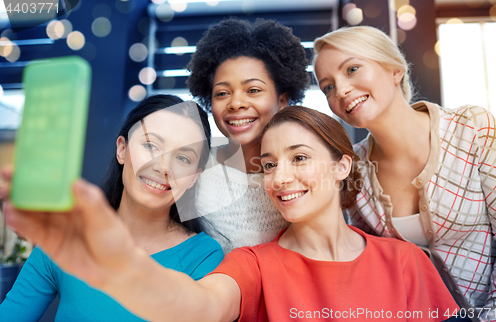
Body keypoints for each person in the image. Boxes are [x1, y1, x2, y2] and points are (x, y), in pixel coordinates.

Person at [0, 106, 461, 321]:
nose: (281, 178)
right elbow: (197, 307)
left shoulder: (407, 264)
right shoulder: (252, 265)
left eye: (299, 158)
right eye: (268, 165)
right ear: (122, 149)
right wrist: (115, 257)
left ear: (343, 164)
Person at [313, 25, 496, 320]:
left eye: (352, 69)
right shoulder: (353, 169)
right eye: (328, 87)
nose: (342, 90)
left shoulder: (472, 127)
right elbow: (372, 263)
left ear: (394, 70)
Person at [0, 95, 224, 321]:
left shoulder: (204, 256)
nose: (163, 167)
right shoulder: (67, 236)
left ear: (194, 177)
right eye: (151, 145)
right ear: (122, 150)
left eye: (183, 159)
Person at [187, 18, 310, 253]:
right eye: (222, 93)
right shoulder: (194, 170)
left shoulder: (303, 174)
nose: (236, 103)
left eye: (253, 90)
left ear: (282, 100)